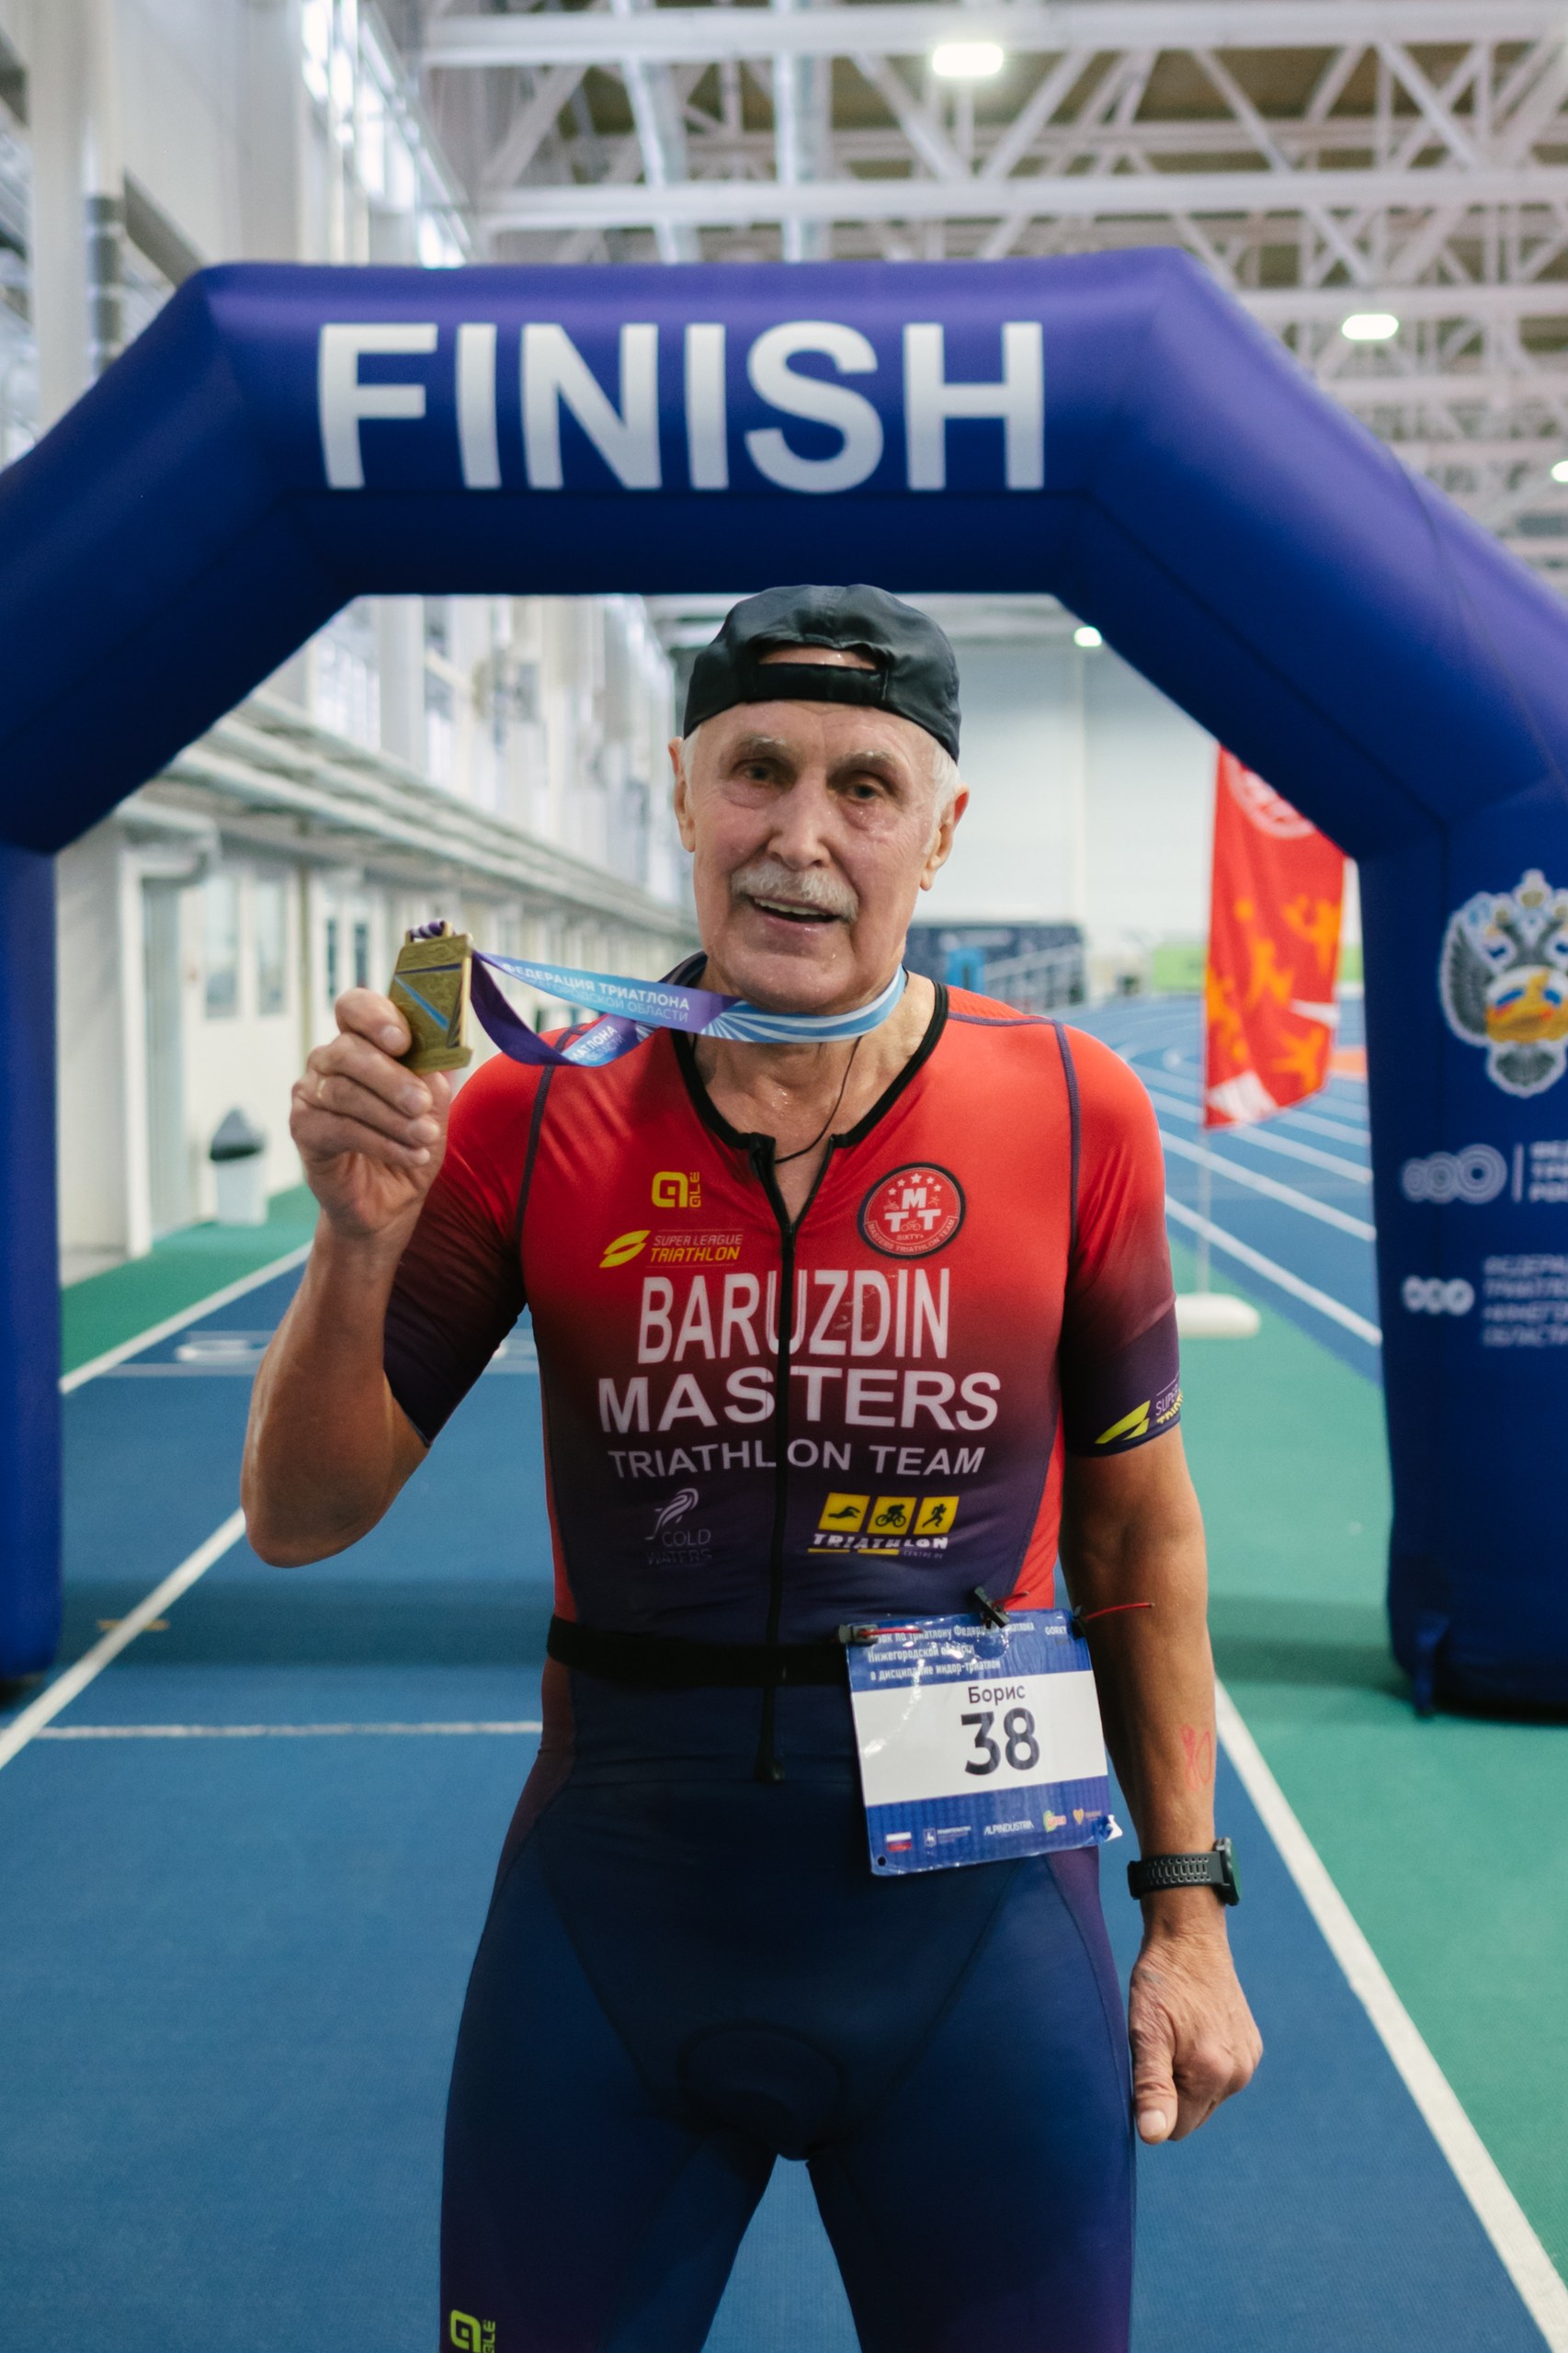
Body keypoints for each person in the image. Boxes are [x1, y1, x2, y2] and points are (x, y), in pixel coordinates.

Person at [244, 585, 1260, 2353]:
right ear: (679, 788)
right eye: (756, 771)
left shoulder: (1071, 1108)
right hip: (616, 1920)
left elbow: (1136, 1536)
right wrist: (352, 1245)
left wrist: (1189, 1910)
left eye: (864, 786)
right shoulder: (531, 1109)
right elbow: (300, 1517)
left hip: (979, 1934)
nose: (801, 836)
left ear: (940, 829)